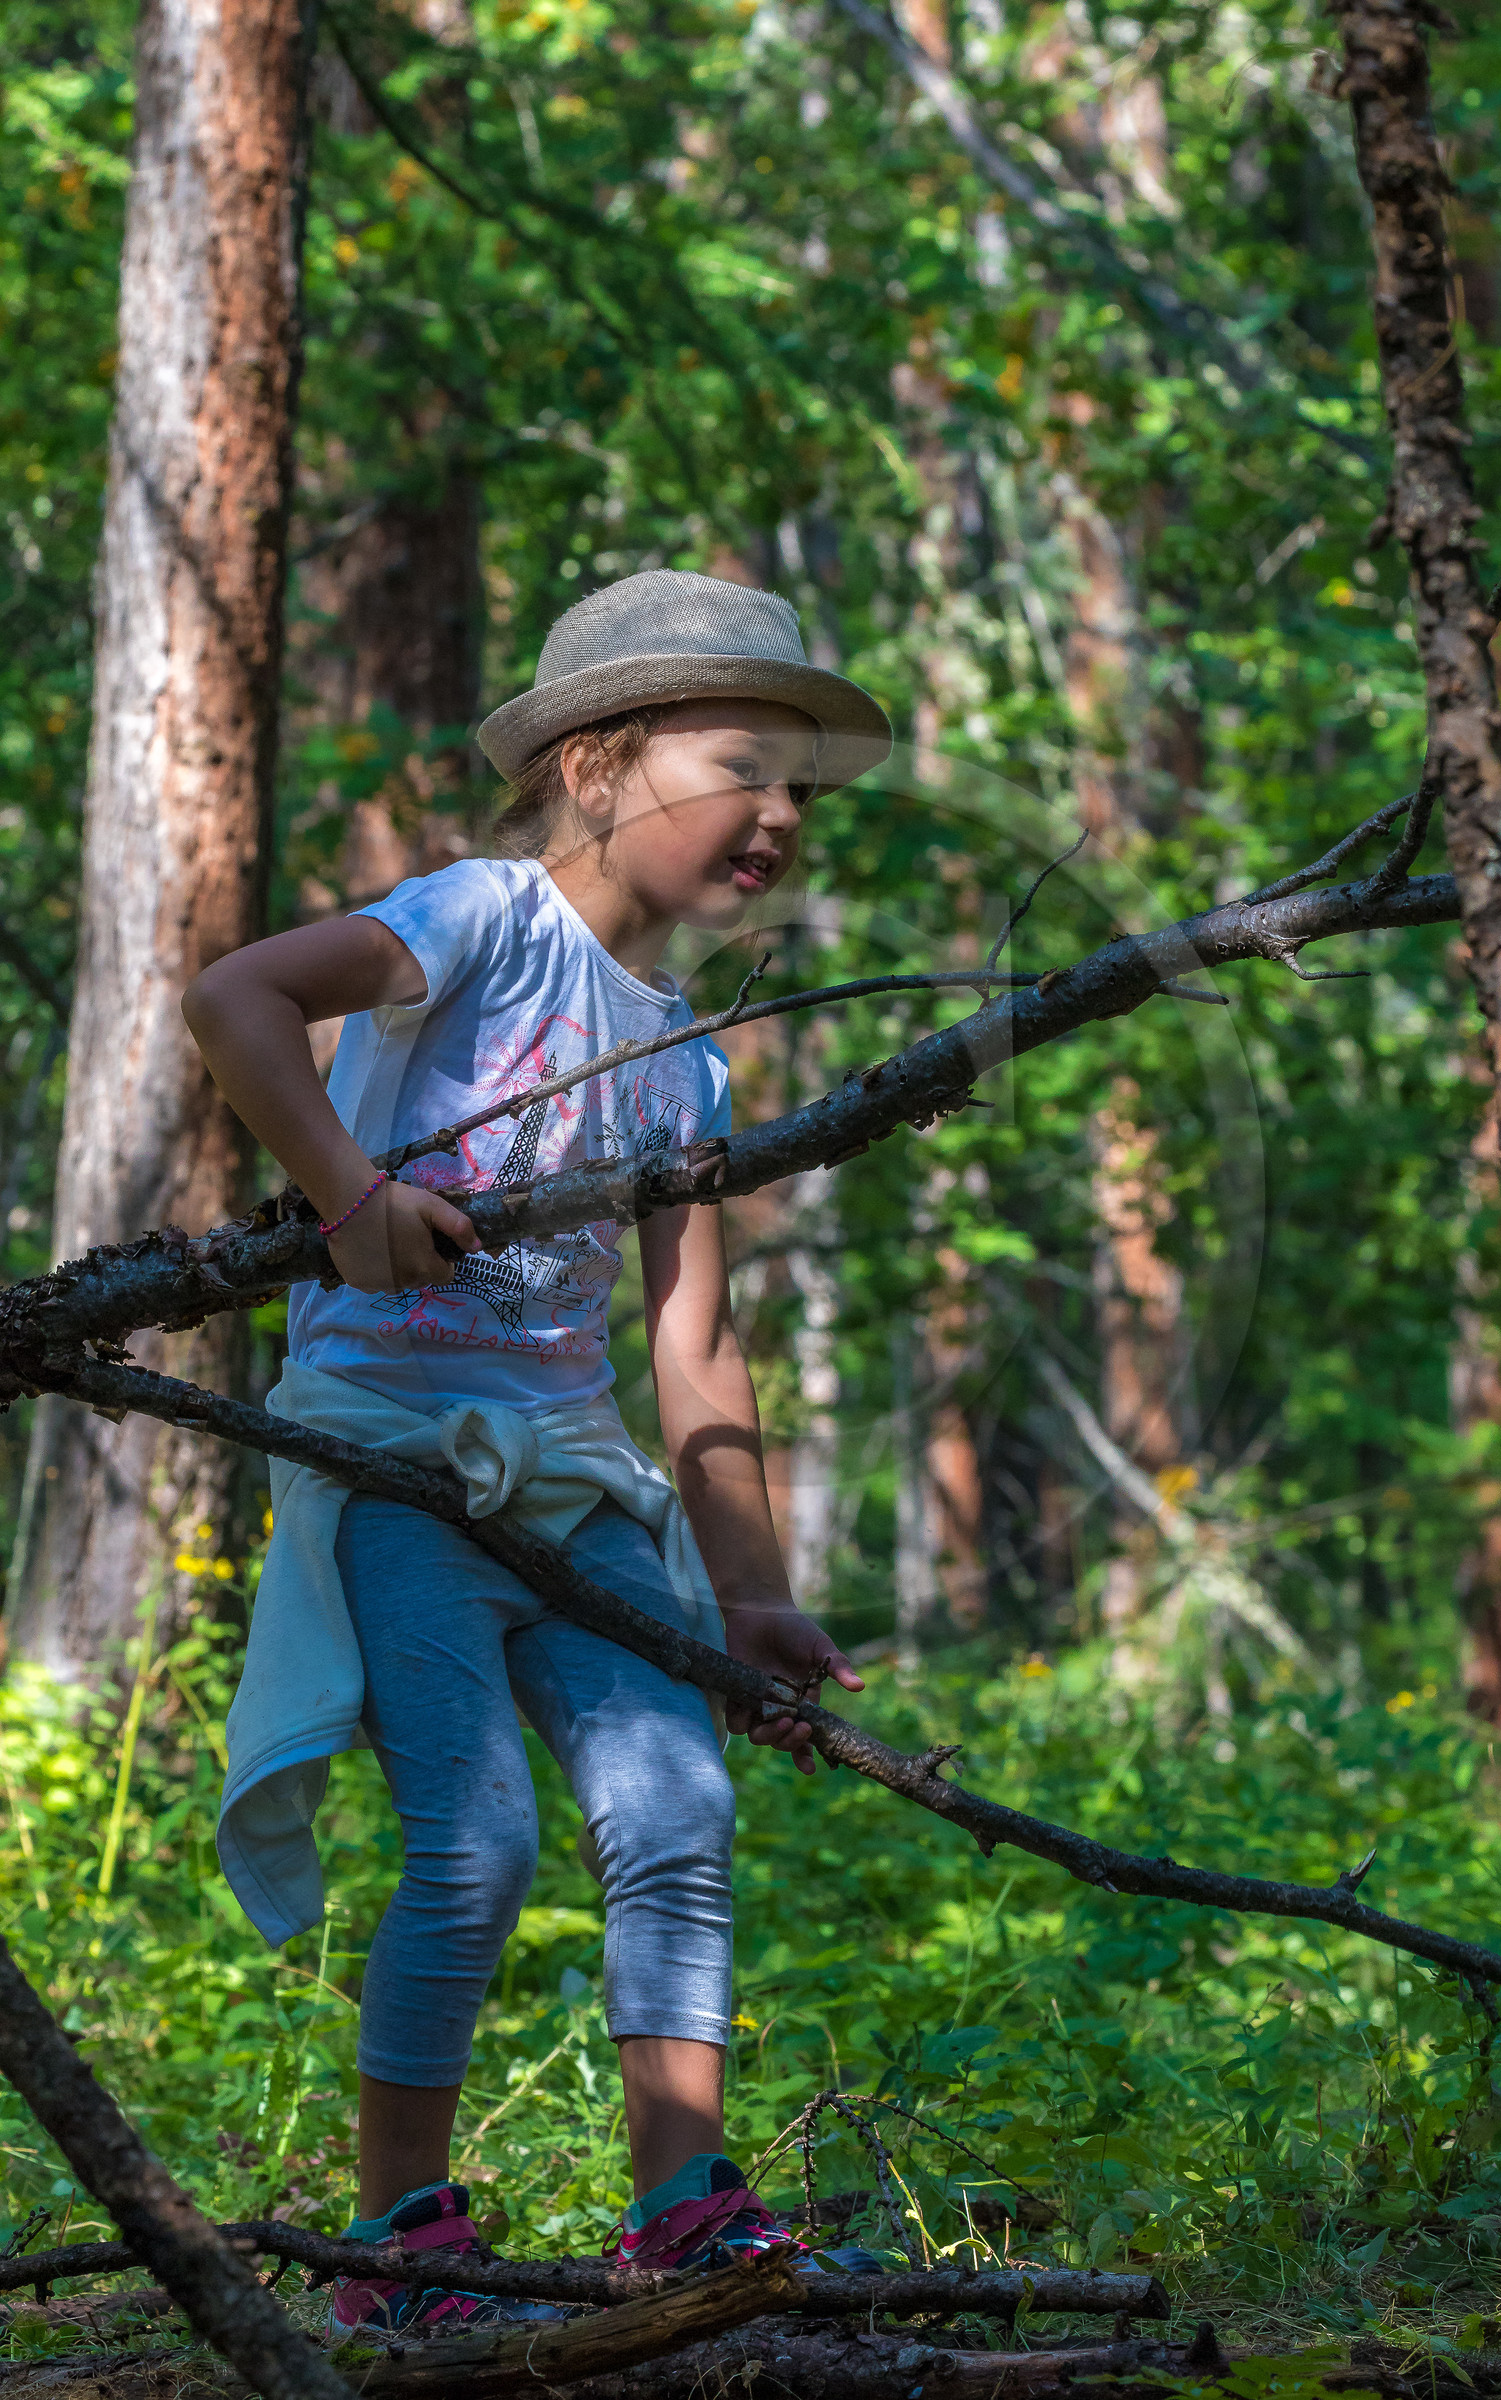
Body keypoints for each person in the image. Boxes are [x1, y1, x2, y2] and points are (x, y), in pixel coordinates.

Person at [182, 570, 894, 2337]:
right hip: (401, 1463)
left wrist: (750, 1595)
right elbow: (237, 996)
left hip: (572, 1487)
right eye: (746, 765)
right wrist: (348, 1200)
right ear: (595, 767)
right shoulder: (482, 922)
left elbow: (690, 1338)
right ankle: (399, 2248)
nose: (784, 814)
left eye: (803, 785)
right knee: (478, 1838)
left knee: (678, 1806)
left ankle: (683, 2213)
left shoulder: (686, 1061)